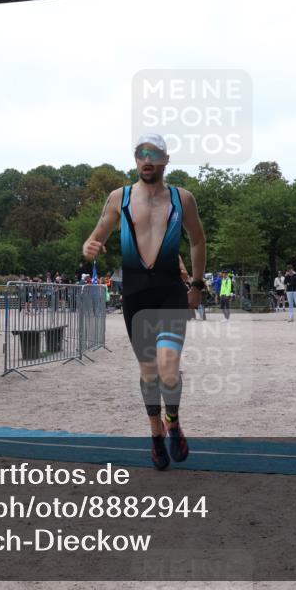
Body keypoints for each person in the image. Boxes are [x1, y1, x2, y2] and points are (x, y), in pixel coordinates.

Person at [82, 133, 206, 470]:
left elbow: (197, 240)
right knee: (149, 371)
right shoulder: (118, 198)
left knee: (168, 370)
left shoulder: (183, 199)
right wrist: (88, 247)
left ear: (166, 160)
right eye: (141, 154)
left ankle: (174, 421)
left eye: (154, 154)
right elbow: (95, 237)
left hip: (169, 291)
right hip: (136, 294)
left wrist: (196, 284)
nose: (147, 159)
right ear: (135, 159)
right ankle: (155, 435)